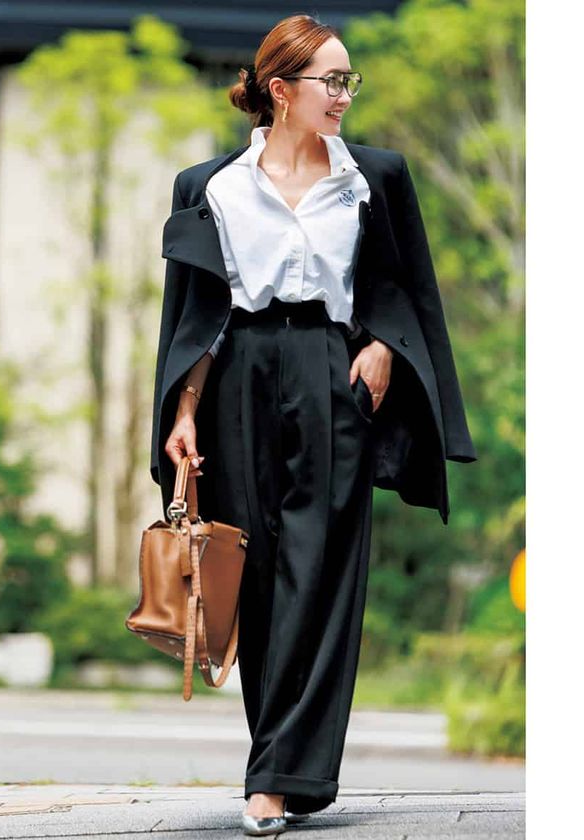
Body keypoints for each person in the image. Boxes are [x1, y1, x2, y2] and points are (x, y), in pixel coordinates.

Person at [149, 14, 477, 837]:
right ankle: (281, 765)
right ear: (280, 89)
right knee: (256, 570)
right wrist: (183, 410)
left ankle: (274, 778)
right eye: (331, 81)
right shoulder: (210, 187)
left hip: (333, 373)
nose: (344, 95)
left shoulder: (375, 177)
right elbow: (196, 314)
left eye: (348, 80)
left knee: (322, 569)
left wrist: (383, 346)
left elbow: (404, 284)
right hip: (237, 377)